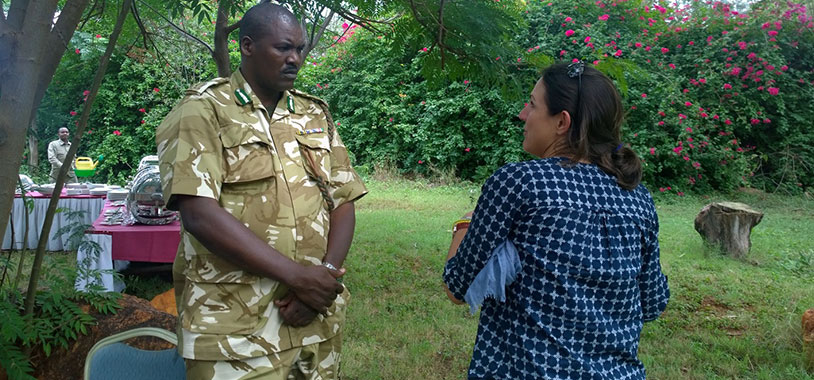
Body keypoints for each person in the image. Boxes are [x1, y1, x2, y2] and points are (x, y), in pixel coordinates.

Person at [155, 3, 367, 379]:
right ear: (248, 46)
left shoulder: (313, 114)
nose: (294, 59)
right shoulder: (203, 110)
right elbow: (198, 213)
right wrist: (298, 278)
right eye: (283, 48)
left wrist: (324, 277)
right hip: (234, 327)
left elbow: (343, 198)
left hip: (312, 320)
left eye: (300, 49)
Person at [443, 62, 670, 379]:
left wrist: (464, 225)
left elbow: (457, 288)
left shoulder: (520, 183)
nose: (523, 114)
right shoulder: (638, 198)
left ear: (562, 122)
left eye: (533, 104)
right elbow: (653, 303)